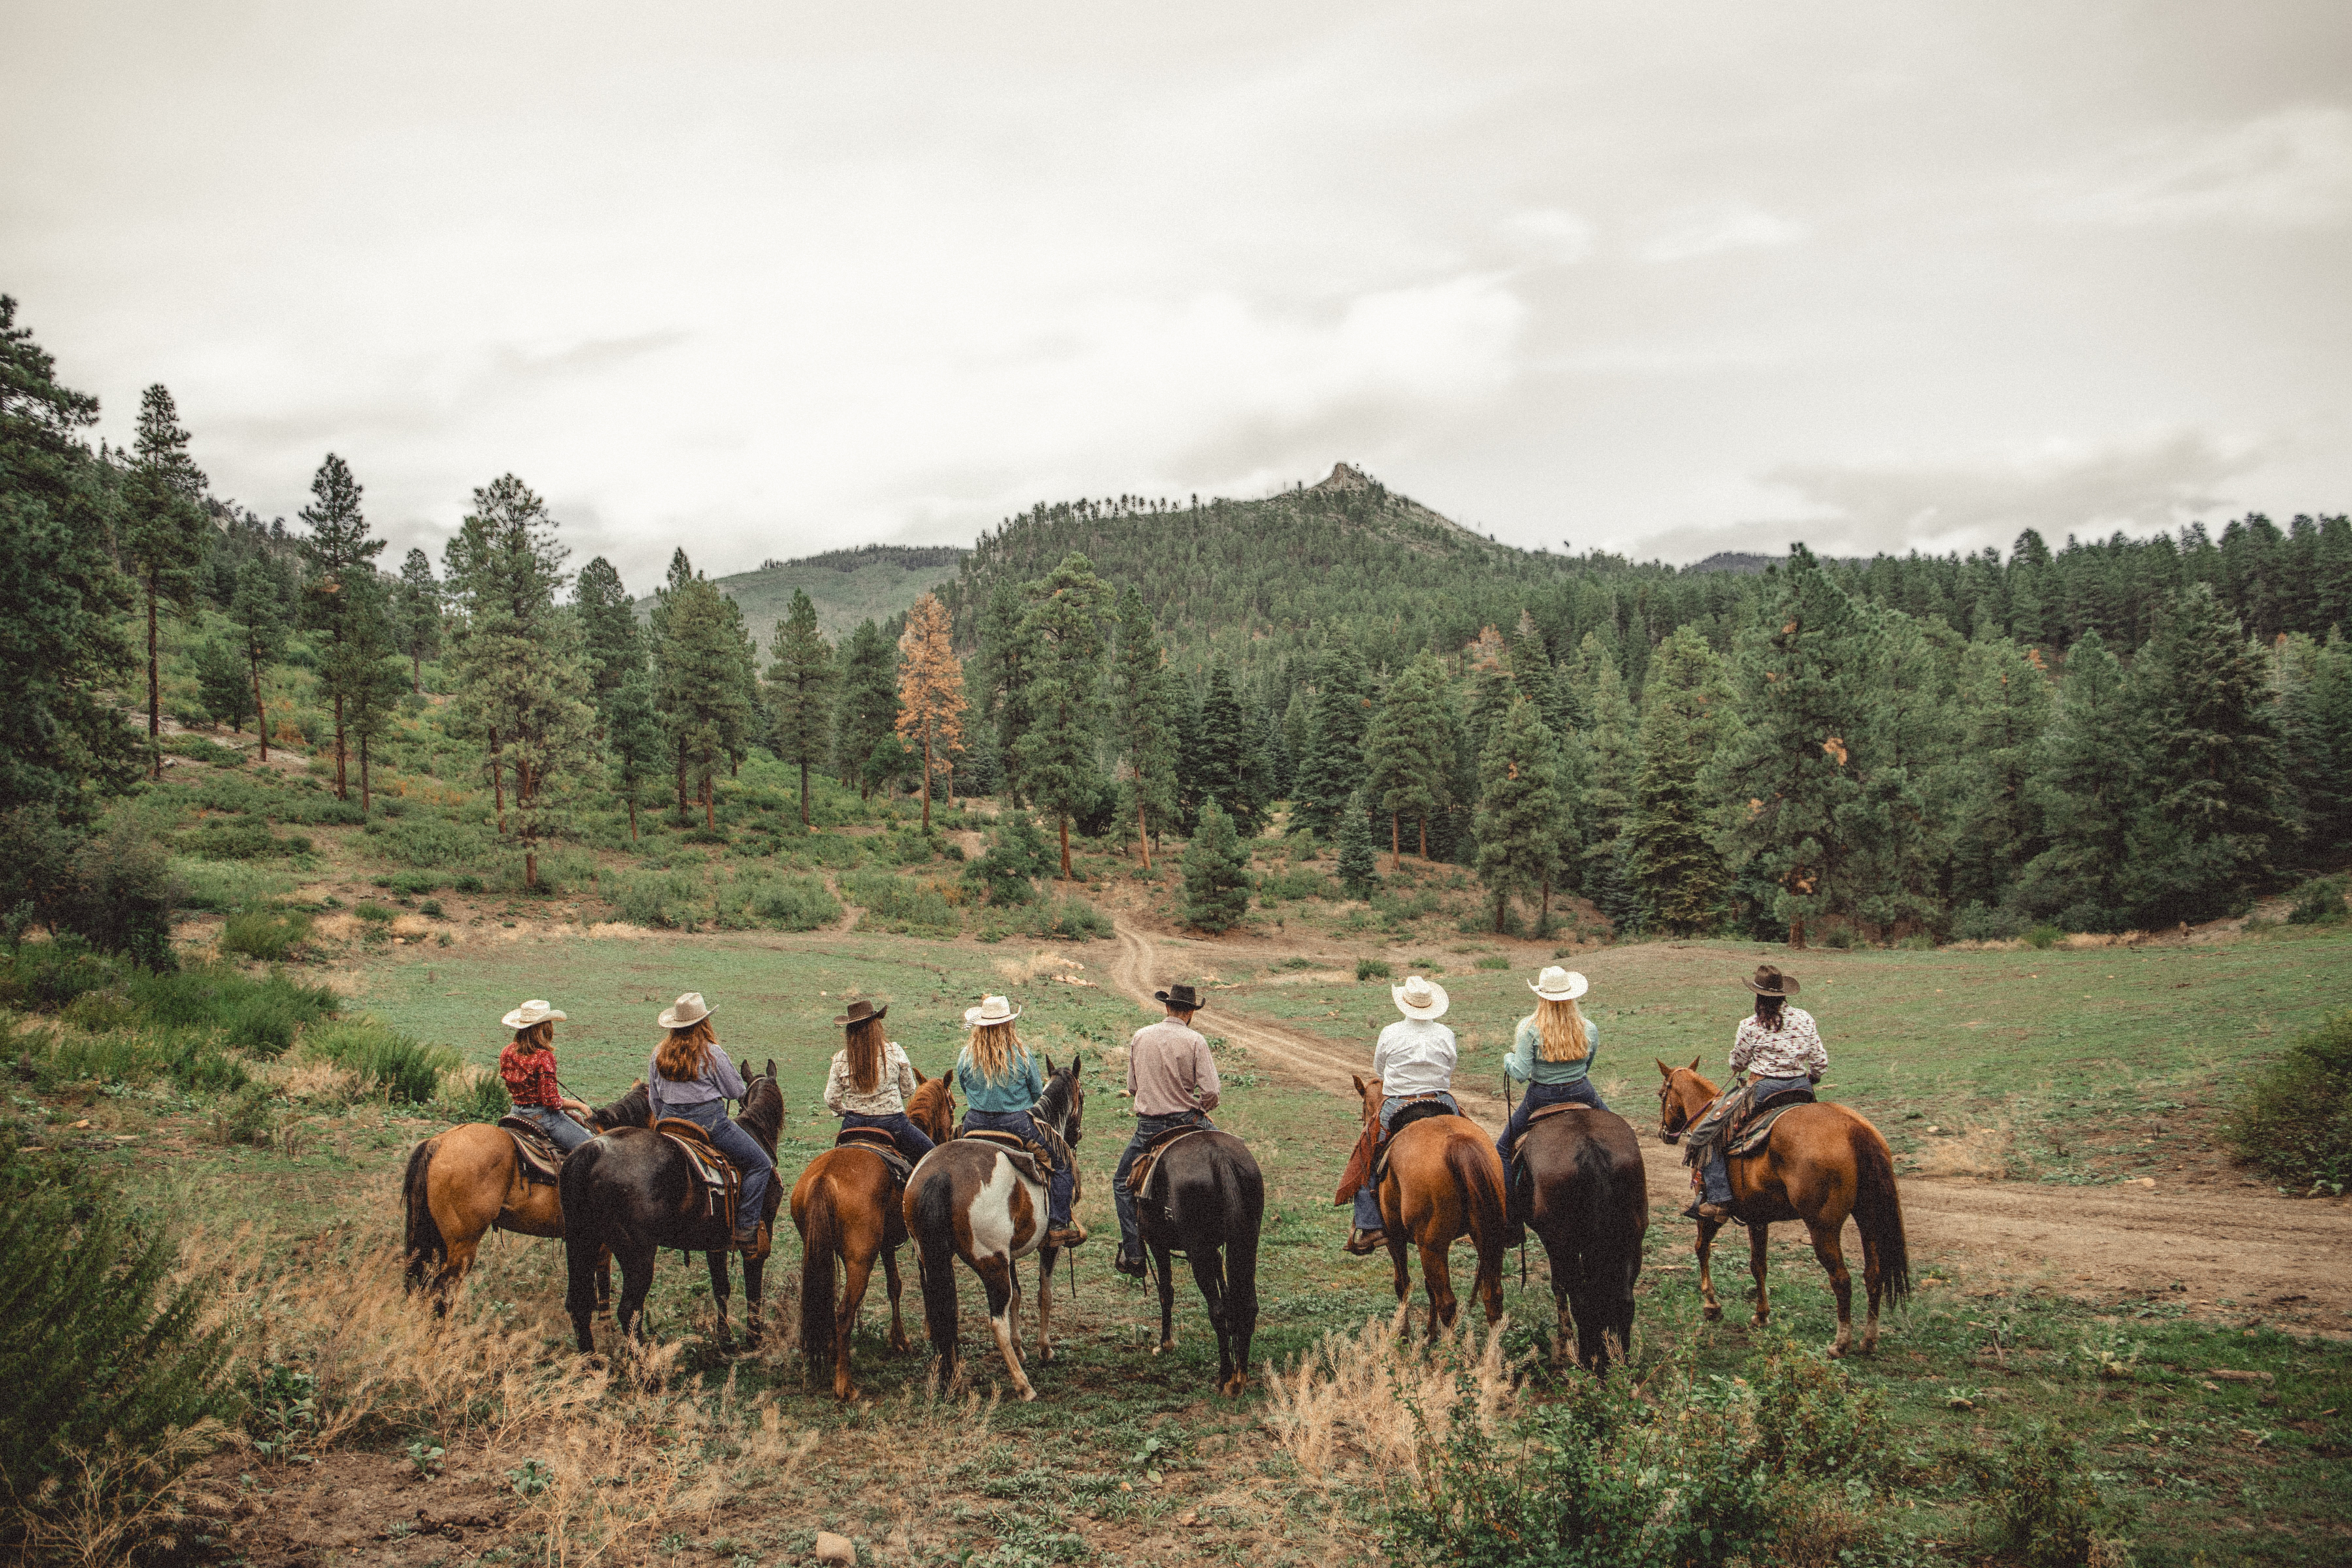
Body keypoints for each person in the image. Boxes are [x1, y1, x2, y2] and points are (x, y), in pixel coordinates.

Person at [1688, 965, 1825, 1222]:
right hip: (1801, 1088)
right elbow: (1819, 1062)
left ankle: (1718, 1201)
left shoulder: (1749, 1025)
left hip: (1762, 1089)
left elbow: (1738, 1062)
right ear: (1784, 995)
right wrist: (1813, 1078)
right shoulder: (1805, 1019)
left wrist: (1740, 1065)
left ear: (1757, 996)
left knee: (1705, 1136)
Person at [955, 994, 1085, 1249]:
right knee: (1062, 1162)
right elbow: (1038, 1094)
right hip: (1017, 1125)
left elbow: (964, 1086)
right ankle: (1058, 1224)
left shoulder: (966, 1055)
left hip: (973, 1124)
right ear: (1008, 1024)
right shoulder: (1022, 1054)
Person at [644, 991, 772, 1249]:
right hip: (710, 1123)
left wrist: (665, 1119)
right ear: (704, 1022)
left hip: (669, 1123)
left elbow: (654, 1099)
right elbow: (736, 1092)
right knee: (761, 1164)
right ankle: (746, 1227)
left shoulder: (659, 1053)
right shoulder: (712, 1053)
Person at [1112, 981, 1221, 1277]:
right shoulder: (1196, 1040)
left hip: (1150, 1130)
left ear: (1167, 1007)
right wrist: (1200, 1107)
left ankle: (1134, 1254)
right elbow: (1211, 1092)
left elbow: (1133, 1087)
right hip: (1188, 1122)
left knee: (1122, 1183)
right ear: (1190, 1013)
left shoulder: (1141, 1036)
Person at [1345, 975, 1459, 1255]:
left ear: (1404, 1004)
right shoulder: (1445, 1033)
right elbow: (1451, 1065)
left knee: (1366, 1154)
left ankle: (1372, 1224)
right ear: (1431, 1005)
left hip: (1398, 1104)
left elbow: (1380, 1071)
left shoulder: (1390, 1032)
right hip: (1441, 1101)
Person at [1496, 967, 1606, 1239]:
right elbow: (1587, 1064)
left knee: (1501, 1148)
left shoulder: (1529, 1028)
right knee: (1621, 1133)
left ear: (1541, 996)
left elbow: (1520, 1073)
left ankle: (1510, 1221)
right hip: (1582, 1091)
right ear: (1571, 996)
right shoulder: (1588, 1027)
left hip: (1541, 1096)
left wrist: (1508, 1059)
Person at [823, 998, 936, 1162]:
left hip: (854, 1125)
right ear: (876, 1025)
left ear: (850, 1030)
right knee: (933, 1157)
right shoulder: (894, 1051)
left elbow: (831, 1099)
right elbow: (908, 1089)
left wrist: (844, 1111)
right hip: (893, 1124)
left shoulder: (841, 1058)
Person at [497, 999, 596, 1152]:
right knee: (592, 1150)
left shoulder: (508, 1051)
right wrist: (578, 1104)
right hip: (542, 1117)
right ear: (545, 1027)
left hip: (516, 1112)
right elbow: (551, 1102)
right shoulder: (544, 1057)